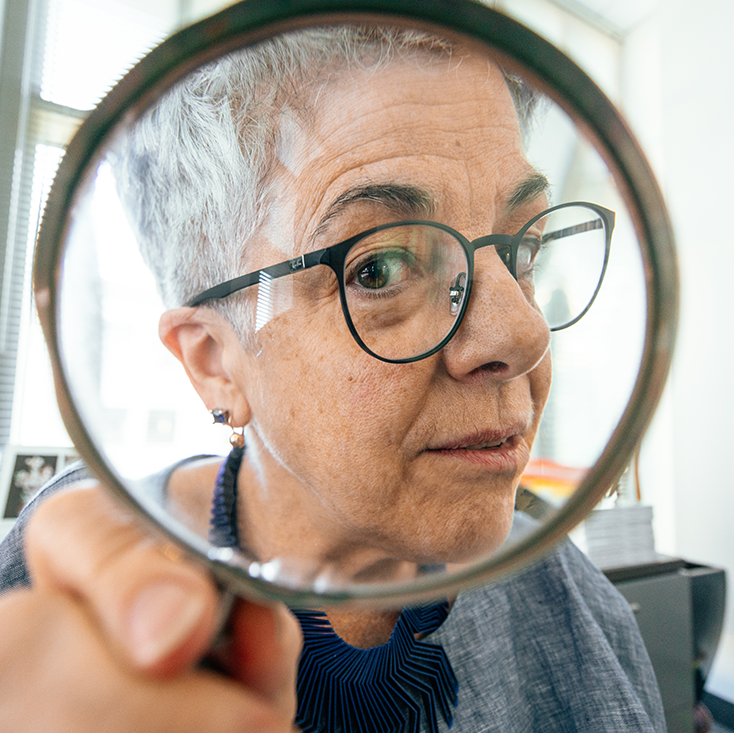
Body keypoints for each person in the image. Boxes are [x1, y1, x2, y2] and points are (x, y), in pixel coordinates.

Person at [0, 25, 665, 732]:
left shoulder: (576, 610)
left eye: (524, 248)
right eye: (380, 267)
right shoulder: (58, 603)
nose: (523, 333)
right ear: (214, 363)